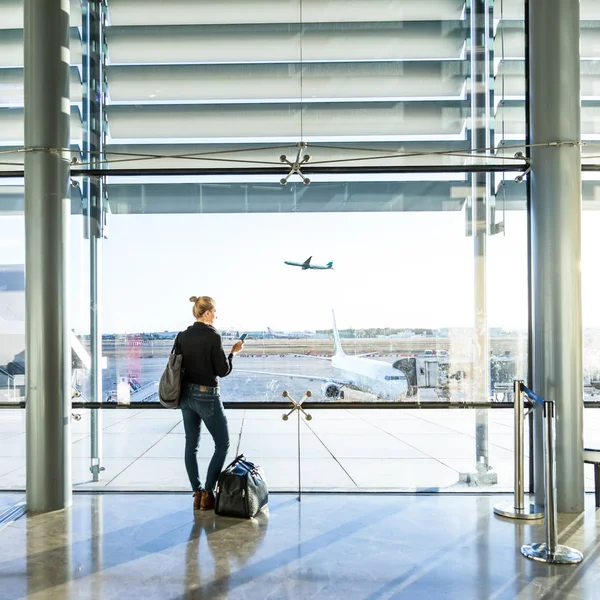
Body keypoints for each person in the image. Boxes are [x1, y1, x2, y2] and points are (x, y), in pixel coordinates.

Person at [176, 295, 244, 510]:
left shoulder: (182, 336)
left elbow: (177, 365)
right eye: (215, 311)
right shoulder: (213, 336)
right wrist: (233, 353)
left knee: (191, 445)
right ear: (206, 313)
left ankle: (197, 494)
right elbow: (222, 371)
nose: (216, 315)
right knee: (222, 444)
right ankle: (208, 492)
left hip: (186, 396)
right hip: (207, 396)